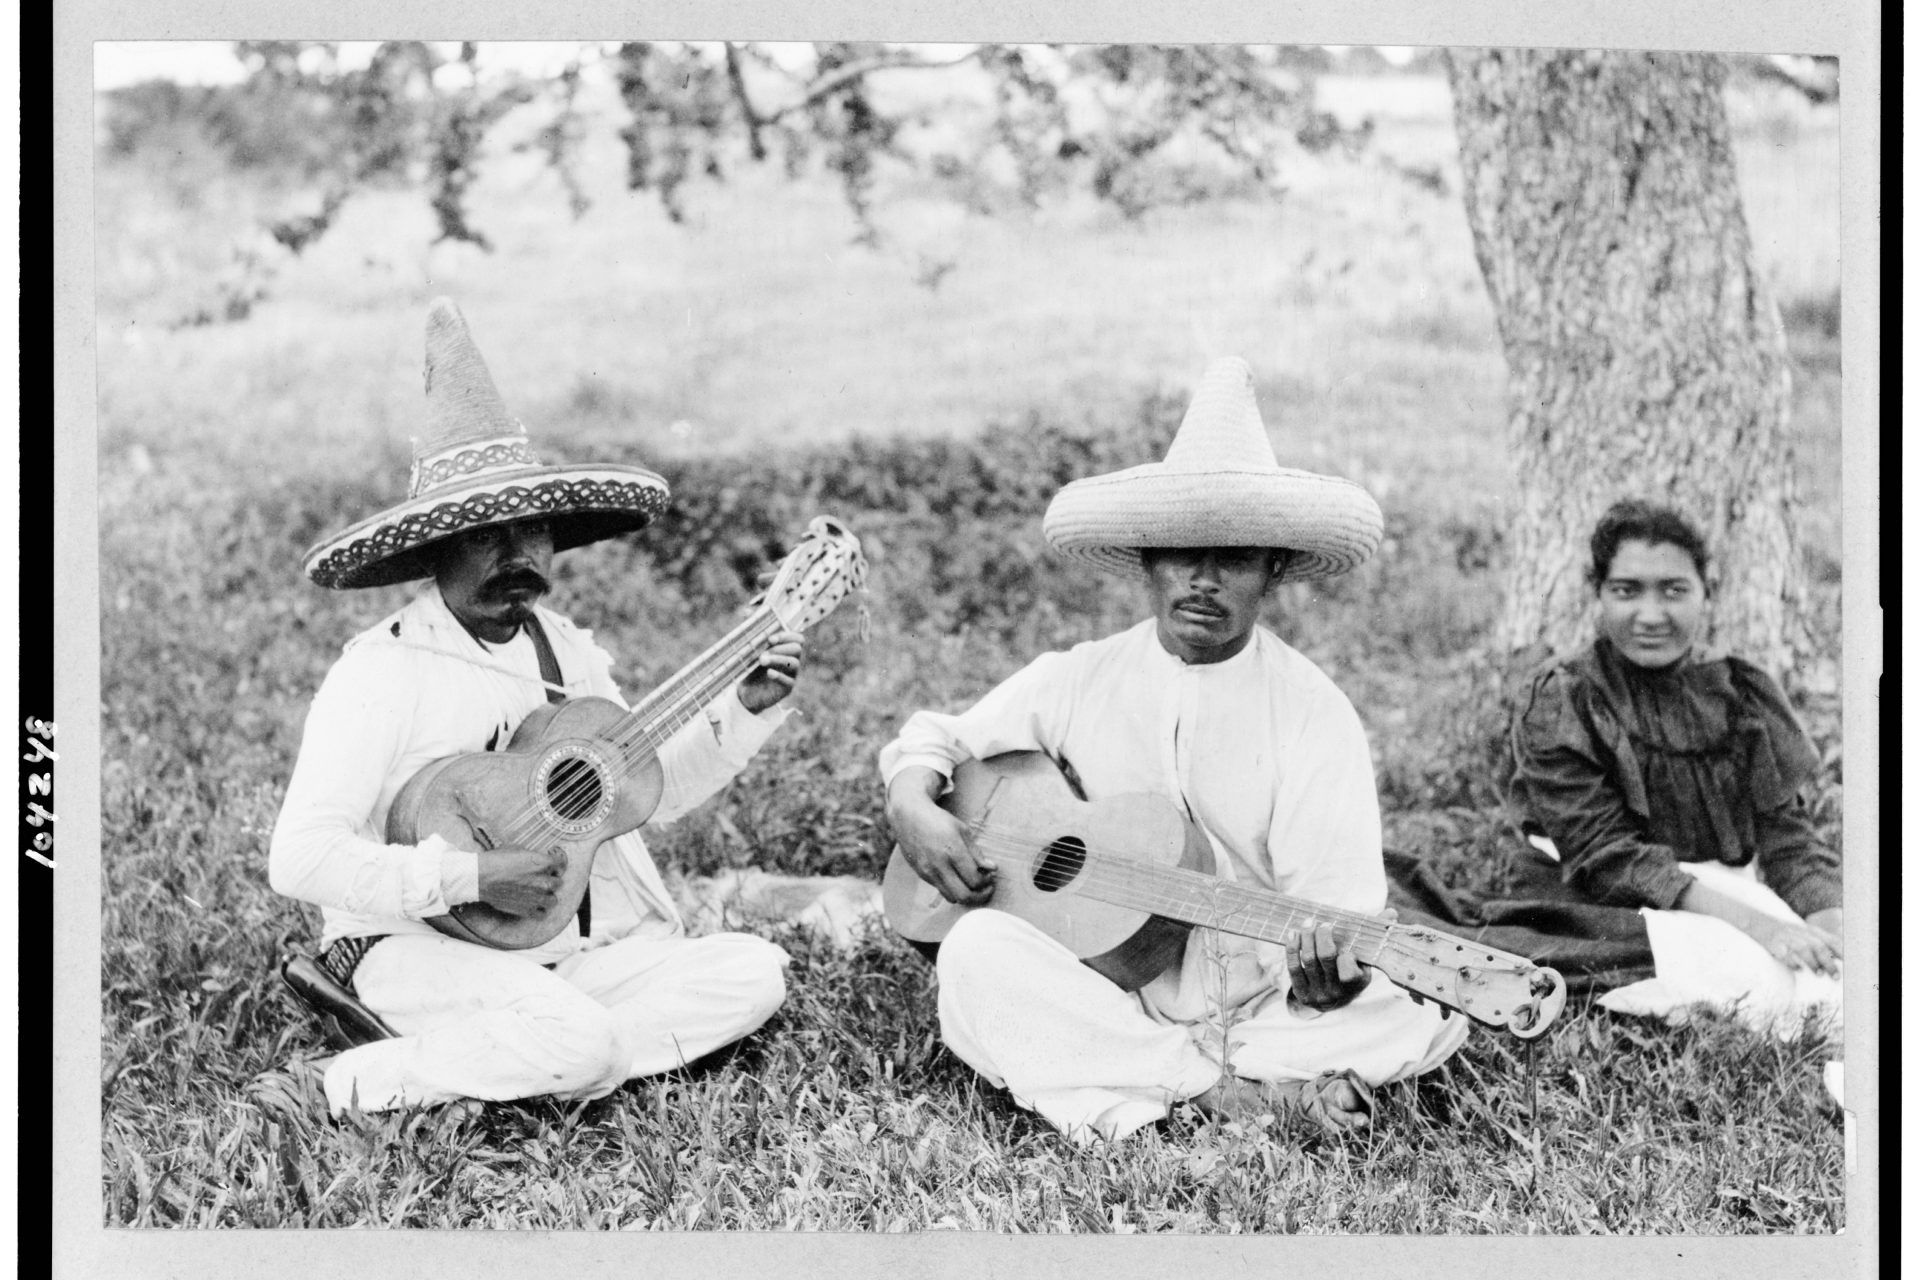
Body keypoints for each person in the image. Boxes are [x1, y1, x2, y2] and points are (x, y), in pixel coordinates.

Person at [879, 358, 1469, 1144]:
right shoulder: (1080, 676)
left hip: (1262, 1002)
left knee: (1396, 1021)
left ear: (1275, 568)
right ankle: (1233, 1094)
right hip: (1101, 978)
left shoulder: (1313, 713)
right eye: (1181, 553)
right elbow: (935, 737)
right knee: (977, 954)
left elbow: (1339, 916)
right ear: (1147, 562)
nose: (1202, 580)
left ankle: (1147, 1083)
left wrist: (1324, 987)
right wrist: (912, 802)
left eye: (1233, 556)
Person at [262, 298, 804, 1118]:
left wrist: (745, 712)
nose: (520, 557)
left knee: (752, 972)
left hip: (549, 950)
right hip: (405, 947)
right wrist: (470, 874)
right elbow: (297, 858)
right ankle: (344, 1084)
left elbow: (630, 799)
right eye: (487, 536)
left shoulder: (566, 651)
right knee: (585, 1038)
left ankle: (522, 1059)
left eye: (536, 531)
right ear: (436, 546)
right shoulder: (381, 671)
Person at [1505, 498, 1842, 1032]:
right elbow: (1606, 857)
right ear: (1597, 592)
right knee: (1767, 984)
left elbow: (1789, 839)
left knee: (1848, 978)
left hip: (1716, 890)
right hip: (1601, 899)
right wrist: (1761, 926)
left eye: (1674, 590)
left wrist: (1832, 927)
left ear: (1707, 592)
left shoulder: (1742, 693)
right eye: (1626, 590)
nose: (1651, 615)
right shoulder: (1564, 697)